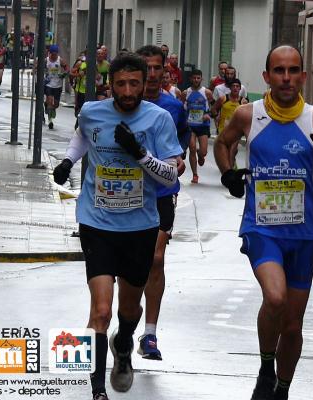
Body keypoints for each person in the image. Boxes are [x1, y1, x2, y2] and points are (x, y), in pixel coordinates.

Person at [213, 45, 313, 400]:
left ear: (303, 77)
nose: (286, 78)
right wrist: (229, 174)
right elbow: (223, 143)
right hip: (261, 228)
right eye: (278, 71)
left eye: (293, 71)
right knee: (275, 298)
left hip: (302, 235)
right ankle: (266, 368)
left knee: (293, 325)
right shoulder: (249, 115)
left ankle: (281, 389)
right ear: (266, 77)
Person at [52, 52, 182, 400]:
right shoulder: (93, 111)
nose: (127, 91)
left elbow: (172, 173)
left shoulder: (158, 120)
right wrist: (68, 161)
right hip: (97, 222)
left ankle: (124, 343)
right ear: (111, 85)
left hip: (139, 226)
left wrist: (139, 153)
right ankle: (97, 392)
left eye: (134, 84)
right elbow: (83, 135)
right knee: (101, 310)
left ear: (145, 84)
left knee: (128, 310)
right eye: (121, 84)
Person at [135, 44, 188, 361]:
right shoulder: (121, 104)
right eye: (147, 68)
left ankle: (150, 333)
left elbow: (181, 143)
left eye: (158, 68)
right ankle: (127, 321)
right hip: (126, 195)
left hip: (162, 194)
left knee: (156, 259)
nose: (152, 74)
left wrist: (179, 162)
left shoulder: (173, 107)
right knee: (131, 264)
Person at [181, 69, 214, 183]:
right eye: (194, 78)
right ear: (191, 79)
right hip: (190, 125)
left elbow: (213, 108)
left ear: (201, 79)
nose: (196, 80)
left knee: (203, 151)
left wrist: (208, 114)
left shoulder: (207, 92)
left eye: (198, 78)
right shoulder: (186, 93)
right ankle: (195, 175)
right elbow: (182, 108)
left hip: (203, 125)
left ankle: (201, 155)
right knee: (192, 148)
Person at [212, 78, 249, 167]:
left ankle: (230, 172)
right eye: (233, 86)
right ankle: (231, 168)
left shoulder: (243, 101)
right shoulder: (223, 99)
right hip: (223, 129)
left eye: (237, 86)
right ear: (230, 88)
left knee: (232, 151)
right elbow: (213, 109)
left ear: (240, 89)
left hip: (236, 130)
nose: (235, 88)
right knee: (226, 151)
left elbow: (247, 115)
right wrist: (216, 116)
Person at [44, 44, 69, 129]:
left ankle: (49, 107)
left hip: (58, 85)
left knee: (56, 105)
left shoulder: (60, 60)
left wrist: (64, 73)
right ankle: (50, 121)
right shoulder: (46, 60)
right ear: (49, 53)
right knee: (50, 102)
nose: (54, 55)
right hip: (49, 84)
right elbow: (38, 67)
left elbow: (66, 68)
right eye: (52, 54)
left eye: (56, 54)